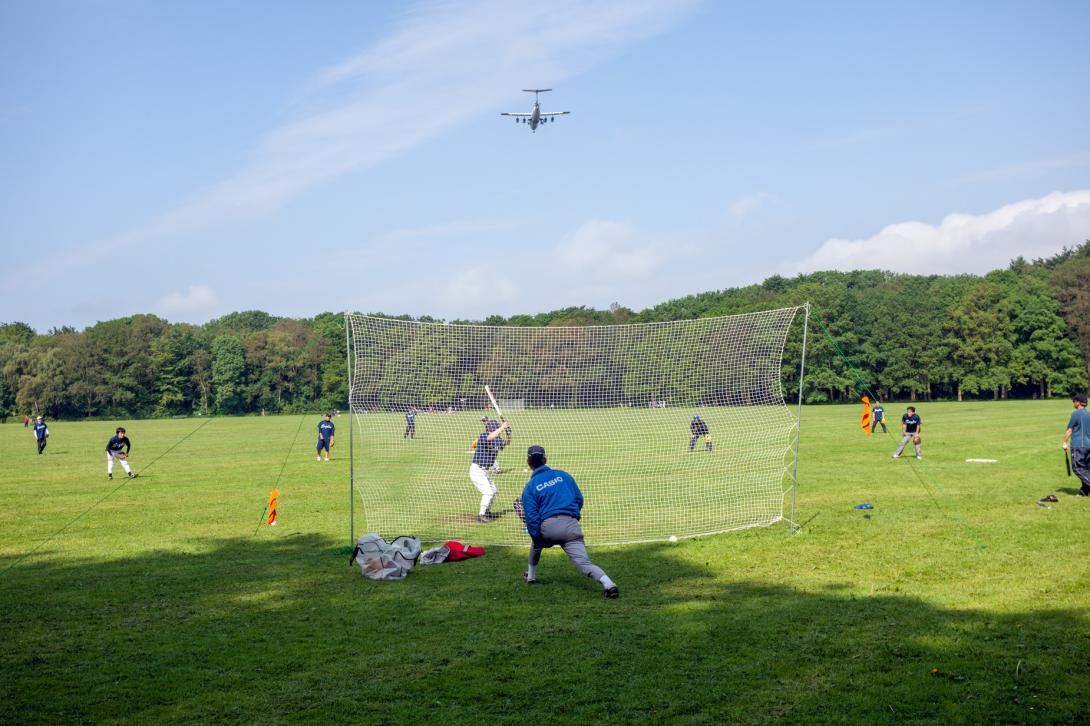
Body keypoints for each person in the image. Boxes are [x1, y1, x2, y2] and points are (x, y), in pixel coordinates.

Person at [519, 445, 619, 598]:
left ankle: (531, 576)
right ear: (545, 460)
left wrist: (538, 538)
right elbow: (579, 499)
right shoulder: (563, 475)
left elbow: (532, 517)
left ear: (529, 462)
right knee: (584, 563)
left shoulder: (530, 487)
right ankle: (609, 584)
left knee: (536, 544)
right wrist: (573, 516)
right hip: (571, 526)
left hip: (548, 529)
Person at [470, 417, 510, 522]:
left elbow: (506, 444)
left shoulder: (497, 439)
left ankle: (487, 511)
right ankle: (481, 515)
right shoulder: (484, 436)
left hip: (484, 471)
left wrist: (508, 434)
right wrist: (502, 427)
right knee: (488, 492)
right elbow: (490, 437)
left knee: (493, 491)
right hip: (477, 469)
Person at [1063, 394, 1090, 497]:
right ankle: (1084, 492)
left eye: (1074, 401)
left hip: (1079, 446)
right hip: (1088, 446)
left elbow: (1070, 430)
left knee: (1077, 468)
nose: (1073, 403)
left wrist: (1064, 442)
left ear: (1078, 402)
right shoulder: (1089, 414)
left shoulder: (1076, 414)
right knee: (1086, 469)